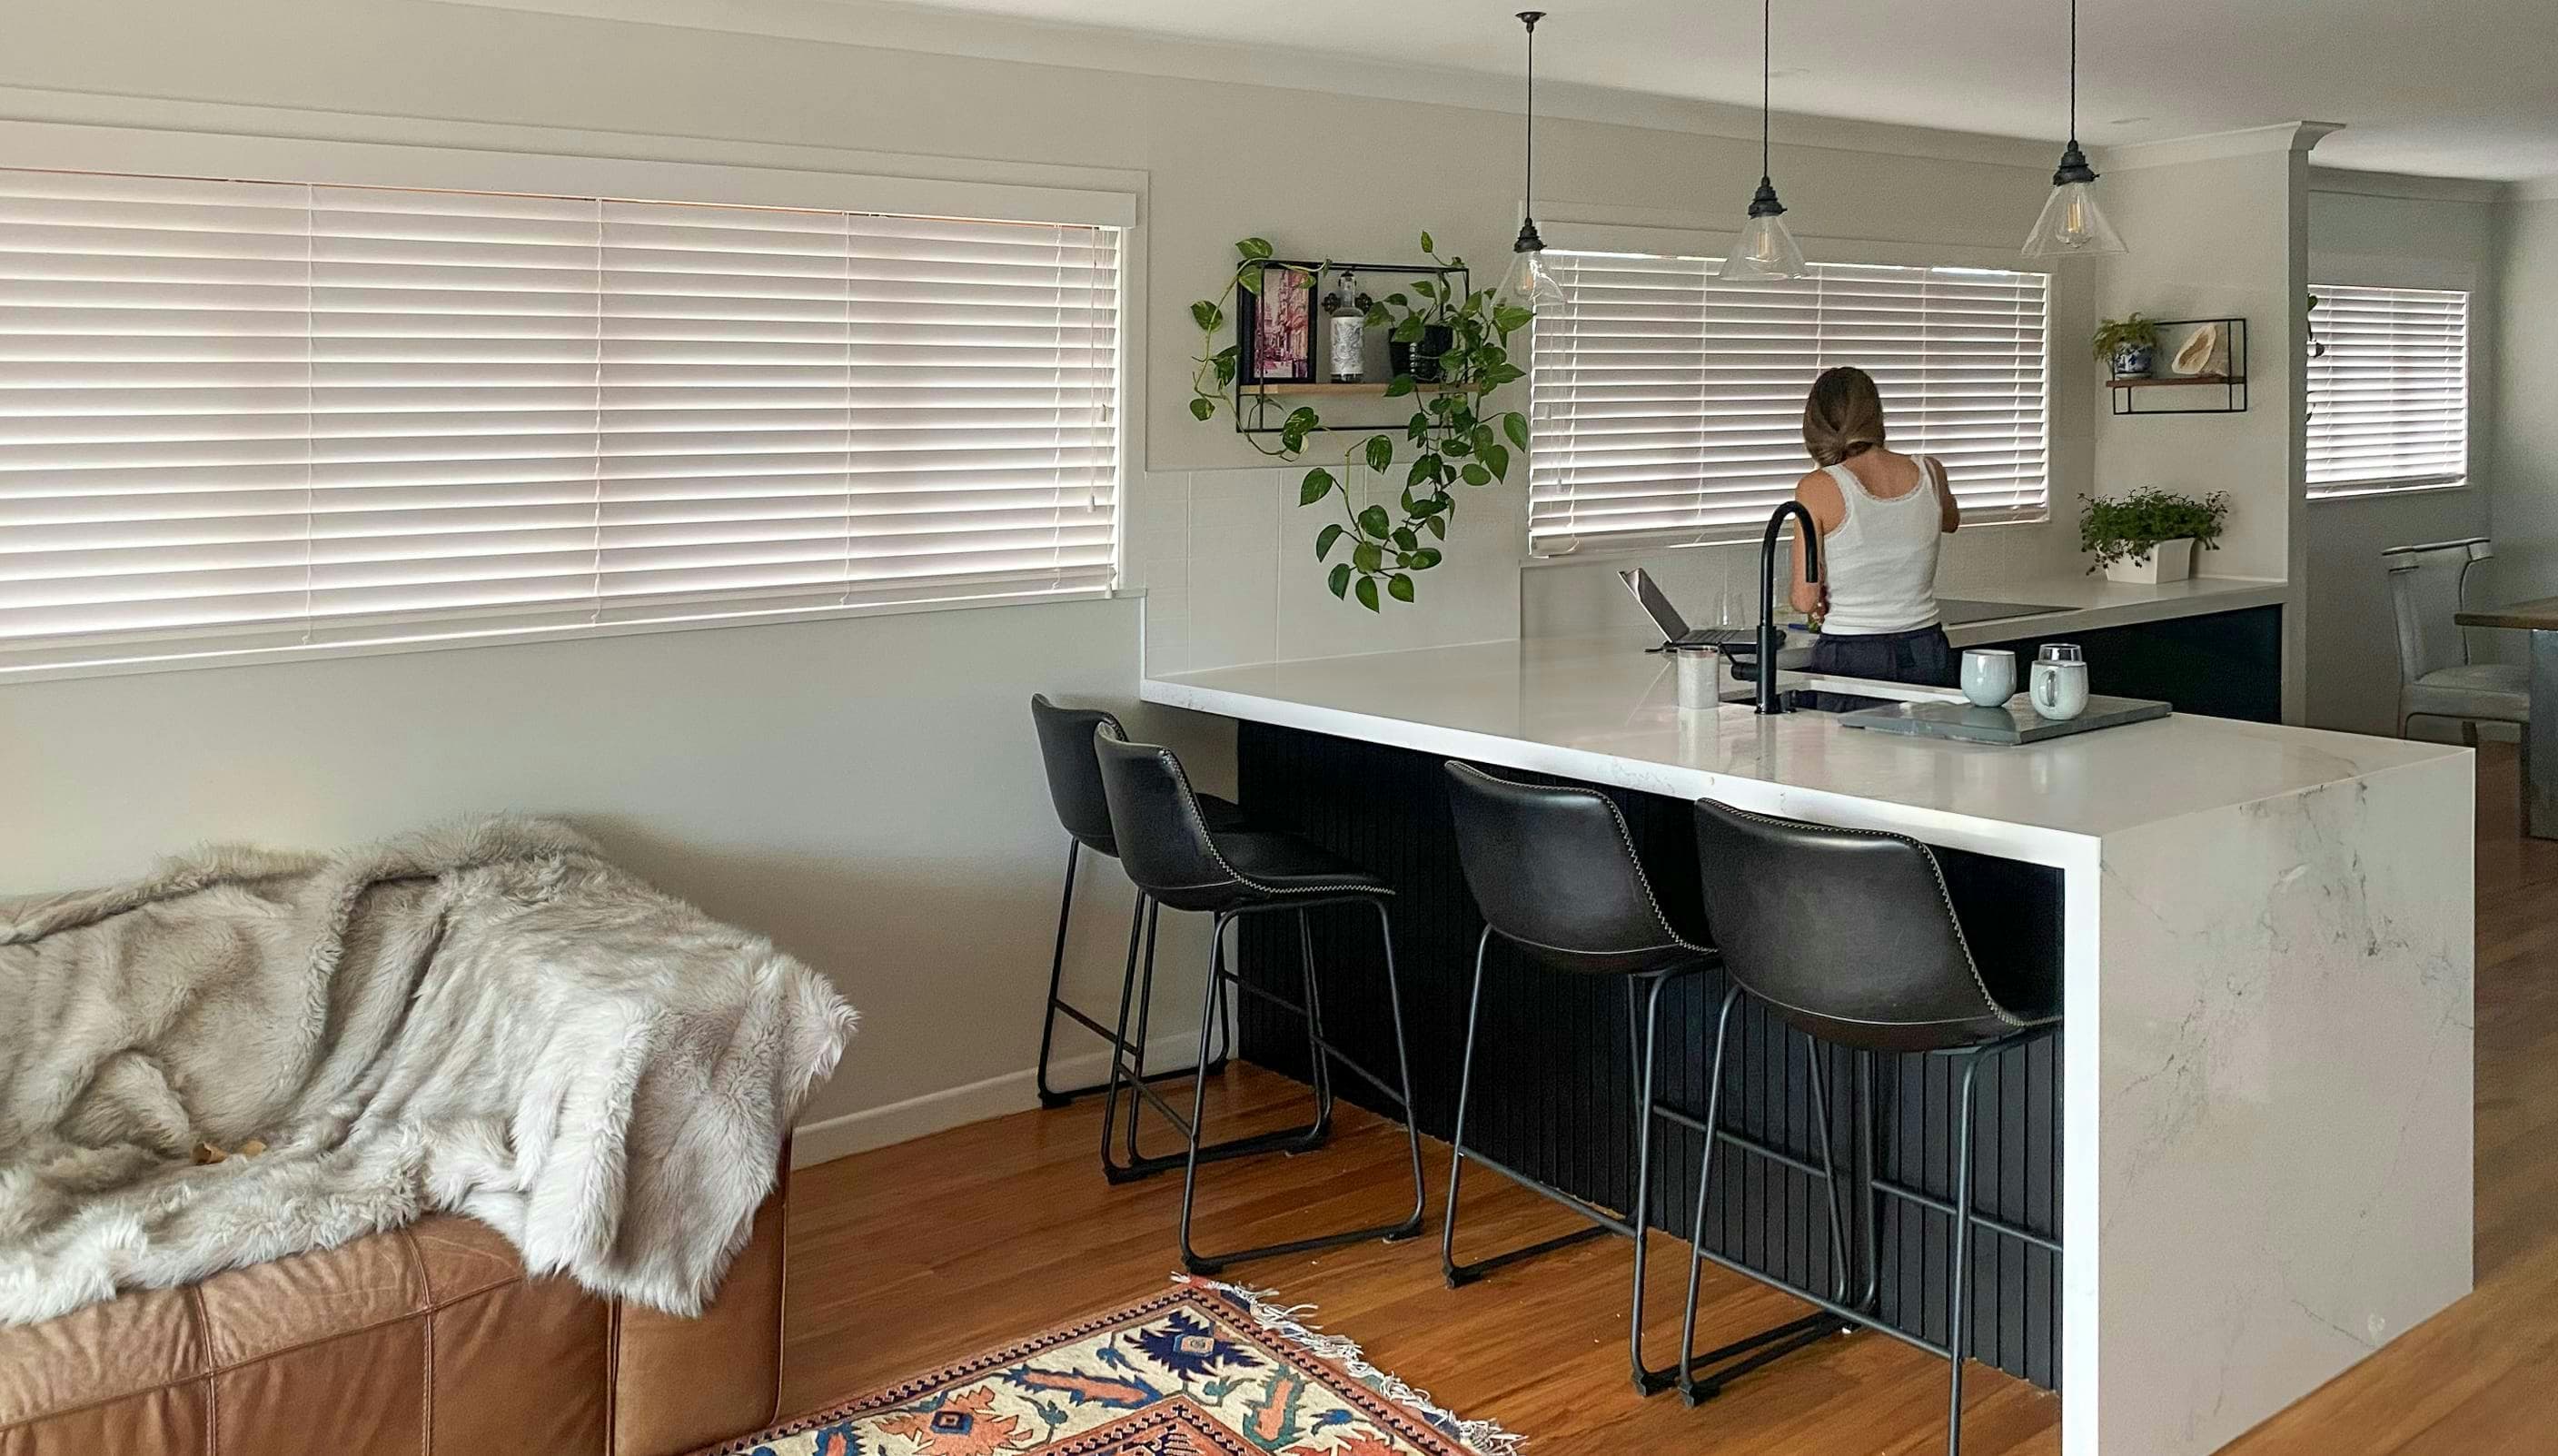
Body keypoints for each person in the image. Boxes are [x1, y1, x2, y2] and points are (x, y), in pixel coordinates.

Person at [1787, 366, 1960, 686]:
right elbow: (1950, 521)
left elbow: (1804, 599)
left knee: (1851, 738)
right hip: (1925, 648)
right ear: (1876, 415)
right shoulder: (1931, 472)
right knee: (1929, 737)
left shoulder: (1817, 487)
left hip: (1852, 652)